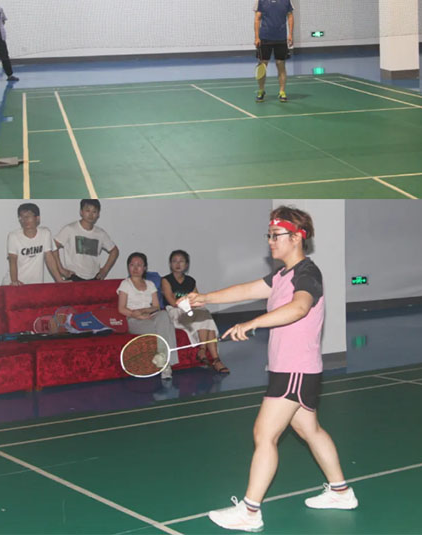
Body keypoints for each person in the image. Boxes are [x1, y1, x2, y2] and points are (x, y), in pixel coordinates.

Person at [185, 206, 357, 533]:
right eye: (269, 235)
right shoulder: (281, 275)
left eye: (276, 235)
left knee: (264, 434)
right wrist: (205, 298)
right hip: (293, 369)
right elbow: (246, 290)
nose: (270, 241)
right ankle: (341, 492)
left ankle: (250, 512)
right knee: (309, 430)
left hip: (295, 369)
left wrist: (253, 323)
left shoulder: (307, 273)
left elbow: (299, 307)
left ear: (297, 237)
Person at [161, 249, 229, 374]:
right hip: (175, 312)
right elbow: (173, 302)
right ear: (170, 264)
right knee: (203, 316)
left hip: (190, 310)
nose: (178, 264)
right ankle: (211, 357)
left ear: (186, 265)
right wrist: (189, 304)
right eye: (174, 261)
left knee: (205, 316)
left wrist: (192, 304)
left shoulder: (191, 281)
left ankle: (211, 356)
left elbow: (197, 299)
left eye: (181, 261)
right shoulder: (166, 280)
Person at [117, 252, 178, 380]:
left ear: (144, 268)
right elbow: (121, 308)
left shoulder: (150, 284)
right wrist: (135, 314)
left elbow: (156, 306)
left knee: (164, 315)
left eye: (139, 265)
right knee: (167, 327)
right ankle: (166, 365)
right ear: (128, 267)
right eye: (132, 265)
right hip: (133, 319)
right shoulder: (125, 284)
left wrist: (144, 311)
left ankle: (163, 361)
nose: (135, 268)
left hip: (151, 316)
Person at [54, 199, 119, 281]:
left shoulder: (100, 233)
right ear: (81, 212)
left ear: (98, 214)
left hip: (94, 278)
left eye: (94, 211)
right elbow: (53, 246)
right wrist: (61, 269)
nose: (91, 215)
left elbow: (114, 251)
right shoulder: (70, 229)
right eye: (87, 211)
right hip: (74, 276)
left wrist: (105, 270)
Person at [254, 0, 294, 103]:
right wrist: (257, 37)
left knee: (280, 65)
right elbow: (257, 19)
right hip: (265, 37)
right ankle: (261, 90)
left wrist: (290, 34)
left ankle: (282, 91)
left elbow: (290, 16)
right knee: (262, 66)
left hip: (280, 38)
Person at [3, 203, 66, 285]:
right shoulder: (13, 236)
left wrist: (59, 280)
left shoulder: (45, 233)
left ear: (37, 218)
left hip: (35, 284)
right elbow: (12, 260)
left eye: (28, 216)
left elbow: (49, 257)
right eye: (21, 217)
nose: (24, 220)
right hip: (15, 284)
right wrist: (14, 281)